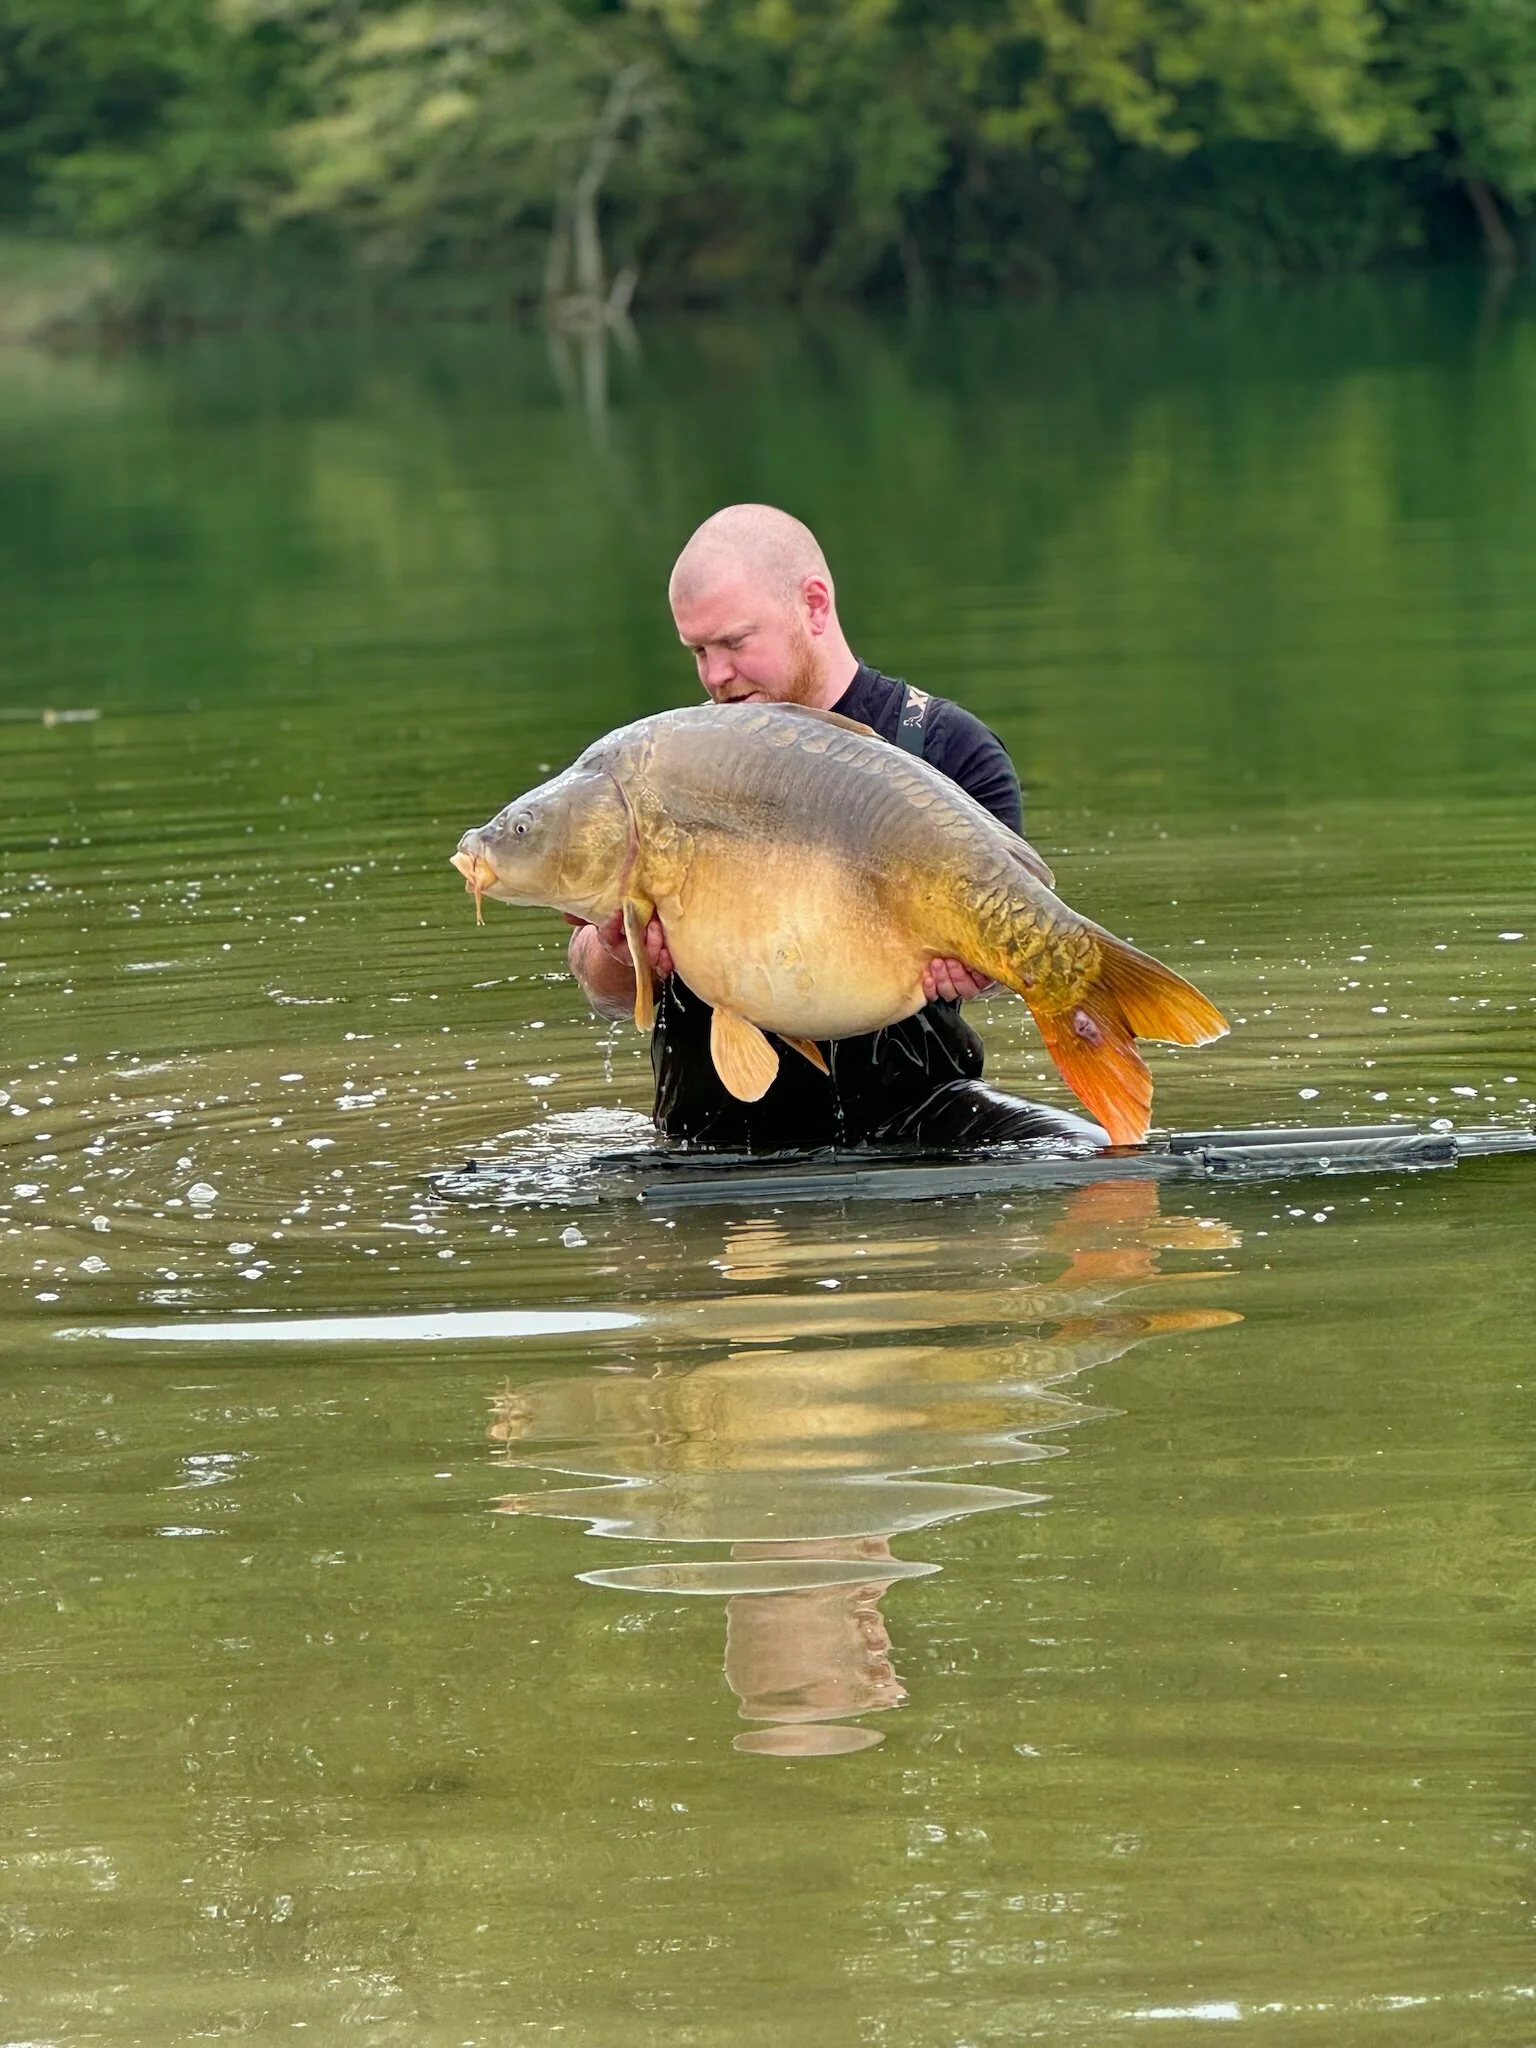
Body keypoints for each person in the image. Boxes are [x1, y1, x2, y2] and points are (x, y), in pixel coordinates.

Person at [567, 503, 1105, 1152]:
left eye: (735, 643)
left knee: (1104, 1157)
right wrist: (621, 951)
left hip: (916, 1124)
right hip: (709, 1141)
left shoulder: (949, 748)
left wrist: (987, 968)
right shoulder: (672, 762)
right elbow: (599, 983)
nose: (714, 675)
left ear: (815, 606)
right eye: (699, 651)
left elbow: (999, 948)